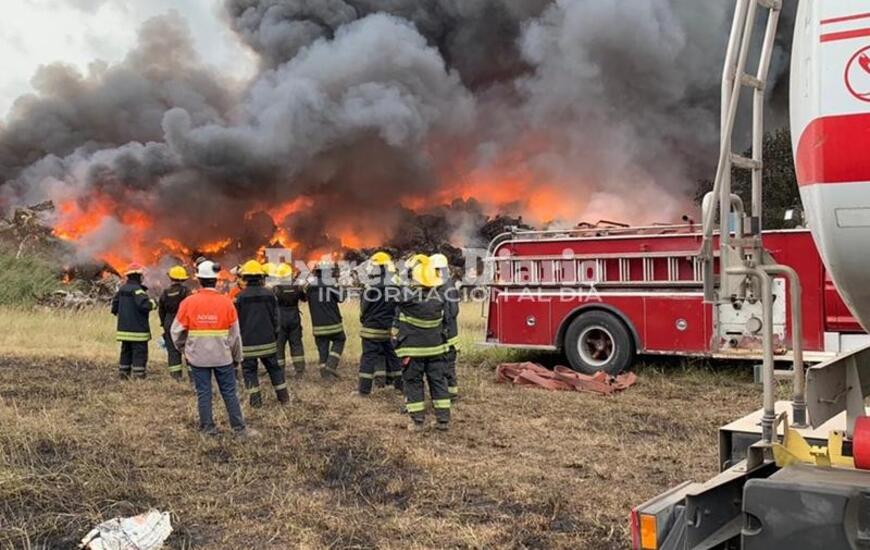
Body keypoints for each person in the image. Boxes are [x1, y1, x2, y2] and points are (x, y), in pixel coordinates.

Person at [171, 260, 255, 437]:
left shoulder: (188, 303)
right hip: (223, 357)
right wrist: (236, 357)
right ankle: (239, 429)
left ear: (199, 280)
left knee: (203, 392)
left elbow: (176, 332)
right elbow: (235, 336)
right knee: (230, 392)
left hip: (198, 358)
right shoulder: (226, 303)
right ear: (216, 281)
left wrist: (185, 350)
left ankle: (207, 428)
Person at [395, 255, 451, 432]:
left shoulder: (409, 299)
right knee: (438, 382)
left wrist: (404, 275)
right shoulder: (440, 297)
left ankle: (418, 421)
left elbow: (395, 291)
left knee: (413, 382)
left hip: (414, 351)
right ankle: (443, 420)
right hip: (436, 350)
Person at [235, 260, 289, 407]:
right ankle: (284, 399)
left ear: (245, 278)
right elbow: (276, 318)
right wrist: (275, 335)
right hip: (268, 342)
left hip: (247, 344)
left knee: (249, 372)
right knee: (275, 369)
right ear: (261, 277)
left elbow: (236, 322)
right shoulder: (270, 294)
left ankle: (256, 402)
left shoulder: (239, 297)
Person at [357, 251, 402, 395]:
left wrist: (364, 319)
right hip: (387, 328)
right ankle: (400, 386)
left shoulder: (371, 286)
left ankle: (364, 391)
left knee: (368, 358)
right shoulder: (395, 286)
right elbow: (397, 307)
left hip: (371, 327)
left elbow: (364, 308)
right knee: (392, 356)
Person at [111, 263, 157, 380]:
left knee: (125, 352)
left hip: (124, 329)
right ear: (138, 276)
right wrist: (154, 303)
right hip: (138, 331)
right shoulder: (138, 290)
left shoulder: (122, 290)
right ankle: (138, 376)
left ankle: (123, 374)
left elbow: (114, 307)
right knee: (139, 353)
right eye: (141, 275)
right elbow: (144, 305)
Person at [306, 260, 346, 380]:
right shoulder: (330, 285)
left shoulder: (309, 287)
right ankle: (331, 364)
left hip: (317, 326)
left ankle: (325, 375)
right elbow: (341, 298)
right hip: (333, 324)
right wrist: (340, 286)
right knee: (340, 340)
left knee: (322, 349)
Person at [430, 254, 460, 400]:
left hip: (447, 334)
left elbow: (452, 311)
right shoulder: (445, 285)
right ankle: (450, 392)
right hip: (448, 333)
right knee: (445, 364)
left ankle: (451, 394)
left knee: (446, 365)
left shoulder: (445, 287)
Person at [273, 263, 307, 378]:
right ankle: (299, 370)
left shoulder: (276, 288)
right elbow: (304, 298)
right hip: (294, 319)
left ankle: (280, 371)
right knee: (296, 344)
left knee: (279, 345)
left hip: (280, 319)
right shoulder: (296, 287)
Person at [158, 265, 192, 381]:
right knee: (188, 349)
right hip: (183, 323)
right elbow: (191, 307)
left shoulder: (165, 292)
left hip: (169, 322)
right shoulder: (186, 291)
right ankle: (193, 377)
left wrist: (164, 324)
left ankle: (175, 377)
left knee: (172, 350)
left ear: (171, 278)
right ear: (183, 279)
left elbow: (161, 310)